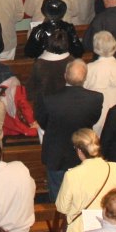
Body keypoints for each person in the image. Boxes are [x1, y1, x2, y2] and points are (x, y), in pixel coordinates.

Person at [34, 60, 103, 200]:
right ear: (85, 77)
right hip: (82, 151)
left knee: (58, 196)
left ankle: (60, 218)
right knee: (81, 193)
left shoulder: (48, 99)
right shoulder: (95, 98)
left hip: (56, 154)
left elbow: (43, 122)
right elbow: (93, 119)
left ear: (65, 76)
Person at [56, 128, 116, 232]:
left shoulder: (72, 175)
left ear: (79, 151)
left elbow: (62, 207)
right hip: (110, 226)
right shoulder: (114, 168)